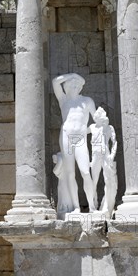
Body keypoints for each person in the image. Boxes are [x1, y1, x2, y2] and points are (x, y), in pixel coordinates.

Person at [52, 73, 96, 215]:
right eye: (72, 84)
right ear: (67, 87)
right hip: (66, 137)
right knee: (70, 173)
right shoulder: (63, 100)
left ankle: (92, 206)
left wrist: (86, 131)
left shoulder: (87, 101)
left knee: (85, 171)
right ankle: (76, 207)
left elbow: (97, 121)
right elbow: (55, 82)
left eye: (78, 85)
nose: (75, 86)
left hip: (80, 138)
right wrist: (72, 75)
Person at [88, 106, 117, 215]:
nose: (97, 119)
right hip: (95, 154)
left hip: (106, 154)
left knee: (107, 179)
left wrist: (112, 156)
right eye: (97, 117)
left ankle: (106, 205)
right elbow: (81, 134)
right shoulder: (92, 127)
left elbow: (115, 142)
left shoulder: (109, 128)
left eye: (100, 117)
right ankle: (93, 204)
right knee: (93, 180)